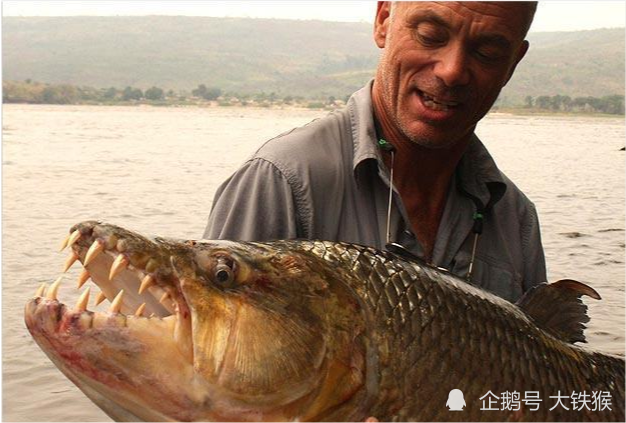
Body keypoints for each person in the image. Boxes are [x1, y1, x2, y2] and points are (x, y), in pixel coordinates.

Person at [204, 1, 546, 304]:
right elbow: (213, 358)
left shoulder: (516, 218)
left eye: (487, 53)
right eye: (431, 35)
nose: (452, 70)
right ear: (383, 20)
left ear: (513, 64)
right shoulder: (282, 180)